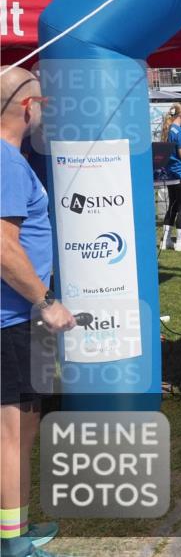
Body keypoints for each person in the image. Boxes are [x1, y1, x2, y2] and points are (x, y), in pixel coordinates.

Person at [1, 67, 74, 557]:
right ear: (27, 107)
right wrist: (46, 303)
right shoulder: (5, 161)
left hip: (22, 319)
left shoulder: (12, 160)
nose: (46, 108)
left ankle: (17, 528)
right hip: (15, 320)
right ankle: (10, 543)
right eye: (43, 100)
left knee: (25, 428)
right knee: (11, 433)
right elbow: (3, 247)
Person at [160, 103, 181, 251]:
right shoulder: (179, 131)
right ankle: (180, 241)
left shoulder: (168, 130)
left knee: (172, 206)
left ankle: (166, 240)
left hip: (171, 173)